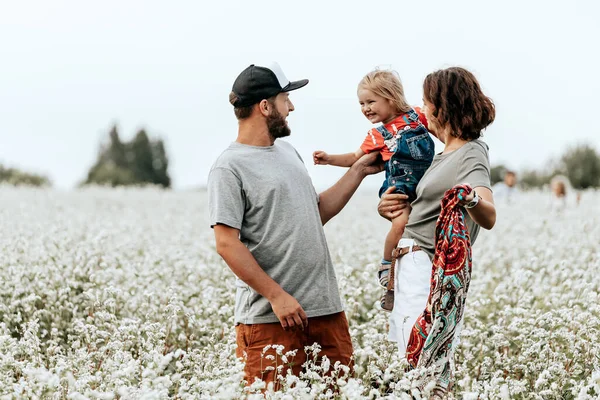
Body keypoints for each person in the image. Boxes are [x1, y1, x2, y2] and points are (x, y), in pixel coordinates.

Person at [208, 62, 382, 389]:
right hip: (271, 321)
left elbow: (314, 213)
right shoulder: (229, 168)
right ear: (264, 107)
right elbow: (226, 244)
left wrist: (358, 170)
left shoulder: (289, 153)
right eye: (285, 98)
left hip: (326, 312)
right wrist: (277, 296)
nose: (291, 107)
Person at [377, 67, 496, 397]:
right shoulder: (439, 154)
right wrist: (388, 207)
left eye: (427, 101)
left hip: (426, 266)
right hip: (410, 263)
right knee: (416, 362)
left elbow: (487, 213)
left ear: (444, 107)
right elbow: (421, 210)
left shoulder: (471, 151)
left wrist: (470, 197)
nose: (422, 108)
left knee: (423, 364)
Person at [312, 70, 435, 311]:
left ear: (391, 97)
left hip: (425, 184)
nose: (365, 108)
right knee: (401, 223)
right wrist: (329, 159)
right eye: (361, 103)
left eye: (371, 102)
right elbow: (354, 158)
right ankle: (387, 264)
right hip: (398, 189)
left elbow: (441, 131)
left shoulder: (416, 116)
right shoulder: (377, 134)